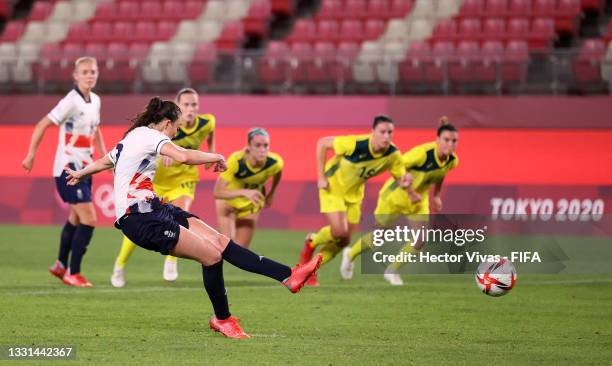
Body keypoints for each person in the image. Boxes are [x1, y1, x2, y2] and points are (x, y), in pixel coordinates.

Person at [65, 97, 322, 338]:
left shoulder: (132, 137)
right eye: (175, 128)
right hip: (140, 219)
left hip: (155, 207)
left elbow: (105, 161)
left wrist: (81, 173)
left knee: (220, 242)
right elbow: (184, 156)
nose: (176, 133)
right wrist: (217, 157)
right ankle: (223, 319)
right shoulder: (151, 136)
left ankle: (289, 276)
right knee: (211, 256)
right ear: (167, 123)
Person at [111, 88, 215, 287]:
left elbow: (210, 136)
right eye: (186, 105)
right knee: (142, 223)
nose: (191, 109)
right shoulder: (165, 127)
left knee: (182, 211)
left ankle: (170, 261)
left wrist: (210, 153)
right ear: (177, 107)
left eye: (194, 104)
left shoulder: (207, 122)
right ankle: (120, 264)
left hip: (184, 178)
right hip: (158, 181)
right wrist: (166, 150)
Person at [340, 117, 459, 285]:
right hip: (394, 198)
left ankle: (392, 270)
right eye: (446, 140)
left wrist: (436, 195)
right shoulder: (421, 154)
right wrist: (409, 189)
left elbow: (441, 174)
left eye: (454, 141)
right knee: (379, 237)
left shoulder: (453, 160)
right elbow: (397, 166)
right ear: (437, 139)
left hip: (418, 201)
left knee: (420, 240)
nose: (451, 144)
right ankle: (350, 255)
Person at [22, 57, 106, 287]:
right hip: (68, 170)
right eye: (85, 72)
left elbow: (95, 129)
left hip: (86, 169)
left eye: (93, 71)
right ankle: (74, 272)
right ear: (76, 76)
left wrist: (105, 155)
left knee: (76, 218)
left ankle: (60, 264)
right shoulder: (70, 101)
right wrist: (31, 154)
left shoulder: (96, 100)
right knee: (89, 219)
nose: (90, 75)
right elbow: (42, 124)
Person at [298, 115, 412, 286]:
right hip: (333, 187)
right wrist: (321, 176)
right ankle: (312, 240)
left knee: (344, 241)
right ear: (372, 132)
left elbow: (400, 177)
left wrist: (405, 182)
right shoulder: (355, 144)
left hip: (355, 194)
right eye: (382, 132)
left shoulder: (393, 154)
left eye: (390, 132)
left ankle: (310, 270)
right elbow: (322, 143)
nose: (386, 136)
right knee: (339, 232)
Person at [214, 128, 283, 248]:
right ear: (249, 147)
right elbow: (218, 192)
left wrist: (272, 193)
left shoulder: (275, 162)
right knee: (227, 247)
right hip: (228, 202)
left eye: (266, 145)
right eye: (257, 145)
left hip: (250, 204)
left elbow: (278, 173)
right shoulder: (236, 161)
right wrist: (245, 192)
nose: (262, 150)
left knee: (241, 251)